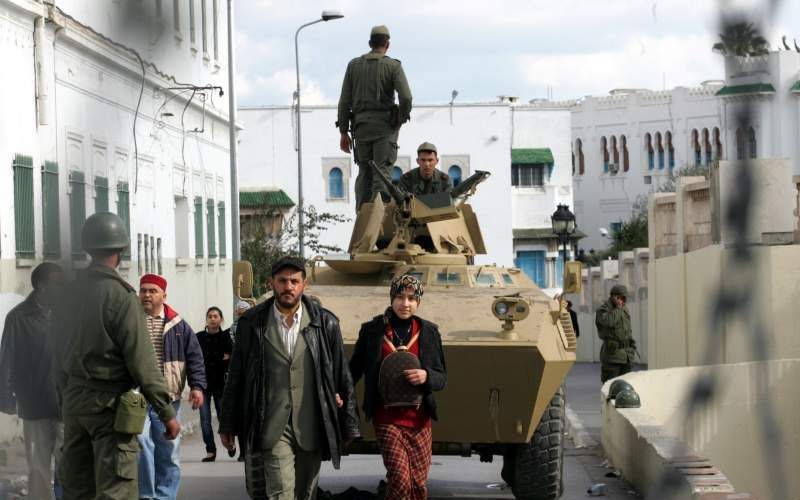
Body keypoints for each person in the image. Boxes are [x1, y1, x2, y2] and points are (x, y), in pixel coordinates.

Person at [55, 212, 180, 500]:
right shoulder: (122, 298)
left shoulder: (67, 295)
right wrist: (166, 412)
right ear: (121, 251)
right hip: (110, 410)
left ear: (87, 248)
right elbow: (143, 362)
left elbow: (55, 356)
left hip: (75, 405)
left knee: (77, 490)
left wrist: (67, 397)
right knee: (116, 491)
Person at [219, 256, 361, 500]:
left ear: (304, 284)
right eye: (282, 281)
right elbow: (236, 376)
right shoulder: (252, 324)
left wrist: (349, 423)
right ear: (271, 283)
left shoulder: (325, 323)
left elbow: (342, 375)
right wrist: (228, 423)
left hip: (312, 423)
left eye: (294, 281)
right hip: (272, 425)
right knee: (280, 493)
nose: (288, 287)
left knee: (306, 493)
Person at [349, 274, 447, 500]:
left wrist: (427, 376)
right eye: (400, 297)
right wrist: (339, 392)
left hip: (420, 420)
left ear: (418, 302)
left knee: (418, 486)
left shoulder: (429, 332)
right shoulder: (372, 331)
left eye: (412, 298)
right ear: (391, 298)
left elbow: (442, 378)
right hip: (386, 419)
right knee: (401, 480)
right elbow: (354, 369)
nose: (405, 303)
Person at [137, 274, 206, 499]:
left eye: (152, 291)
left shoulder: (178, 325)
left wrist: (197, 386)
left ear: (163, 295)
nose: (146, 295)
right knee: (141, 444)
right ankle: (147, 495)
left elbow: (195, 357)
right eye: (143, 290)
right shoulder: (131, 320)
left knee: (168, 451)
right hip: (136, 397)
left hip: (168, 398)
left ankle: (165, 495)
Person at [0, 262, 65, 500]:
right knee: (38, 467)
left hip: (67, 403)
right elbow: (7, 356)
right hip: (34, 403)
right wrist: (5, 396)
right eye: (56, 283)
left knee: (69, 464)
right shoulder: (18, 317)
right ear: (40, 286)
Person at [337, 24, 412, 210]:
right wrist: (400, 118)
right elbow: (406, 97)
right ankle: (378, 220)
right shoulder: (393, 66)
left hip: (361, 128)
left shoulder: (353, 65)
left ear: (370, 42)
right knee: (382, 173)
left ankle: (362, 217)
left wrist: (343, 132)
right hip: (385, 128)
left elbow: (344, 101)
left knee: (365, 172)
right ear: (387, 44)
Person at [196, 306, 233, 462]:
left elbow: (231, 358)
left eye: (215, 316)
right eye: (210, 316)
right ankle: (210, 451)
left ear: (221, 319)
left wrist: (223, 358)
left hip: (220, 384)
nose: (212, 319)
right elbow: (196, 359)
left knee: (222, 417)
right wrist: (220, 357)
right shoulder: (198, 337)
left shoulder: (226, 337)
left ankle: (230, 444)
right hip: (202, 384)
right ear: (207, 319)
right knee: (205, 420)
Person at [595, 284, 635, 383]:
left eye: (625, 298)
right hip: (612, 357)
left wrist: (632, 347)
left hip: (626, 356)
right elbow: (608, 322)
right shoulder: (603, 310)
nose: (624, 301)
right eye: (622, 298)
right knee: (612, 387)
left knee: (625, 387)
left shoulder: (624, 308)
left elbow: (627, 329)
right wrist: (617, 308)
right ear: (614, 297)